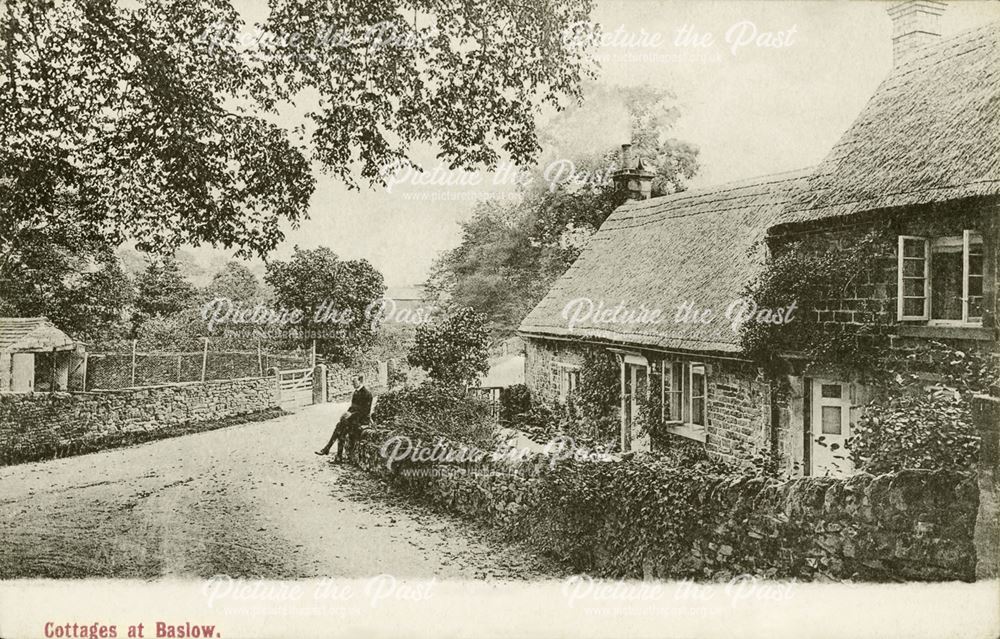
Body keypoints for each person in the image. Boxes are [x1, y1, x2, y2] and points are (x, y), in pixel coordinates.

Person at [315, 375, 373, 462]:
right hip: (354, 419)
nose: (352, 384)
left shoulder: (367, 394)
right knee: (341, 427)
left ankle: (329, 450)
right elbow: (352, 407)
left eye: (354, 382)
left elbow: (365, 412)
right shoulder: (356, 392)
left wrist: (351, 415)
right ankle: (335, 454)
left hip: (362, 421)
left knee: (340, 427)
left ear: (360, 381)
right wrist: (346, 413)